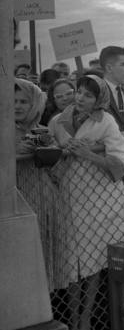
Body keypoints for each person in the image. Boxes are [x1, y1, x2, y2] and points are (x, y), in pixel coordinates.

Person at [48, 75, 124, 330]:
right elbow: (49, 149)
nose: (80, 98)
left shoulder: (107, 122)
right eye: (78, 92)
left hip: (100, 198)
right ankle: (73, 319)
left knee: (94, 258)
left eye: (88, 95)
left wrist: (89, 154)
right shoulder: (59, 120)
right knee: (73, 258)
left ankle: (86, 320)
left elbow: (120, 162)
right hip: (69, 194)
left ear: (98, 98)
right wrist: (63, 151)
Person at [15, 78, 66, 293]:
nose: (17, 106)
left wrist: (49, 149)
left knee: (44, 252)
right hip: (16, 204)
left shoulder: (43, 132)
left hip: (45, 202)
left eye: (24, 102)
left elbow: (58, 171)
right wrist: (17, 153)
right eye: (13, 101)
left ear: (34, 104)